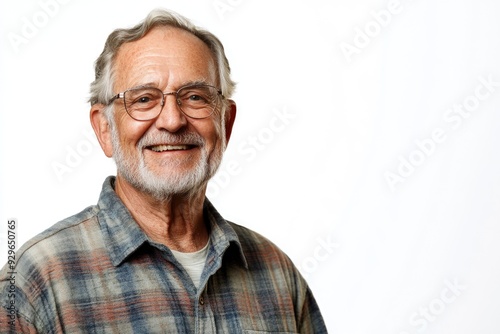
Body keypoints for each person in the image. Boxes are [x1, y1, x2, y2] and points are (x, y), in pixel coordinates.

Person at [0, 8, 327, 333]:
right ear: (104, 129)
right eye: (143, 99)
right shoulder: (37, 280)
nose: (172, 120)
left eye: (195, 97)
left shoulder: (278, 276)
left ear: (225, 123)